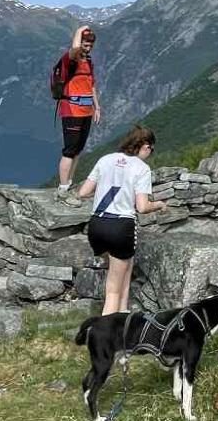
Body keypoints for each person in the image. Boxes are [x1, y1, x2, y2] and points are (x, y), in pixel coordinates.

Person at [72, 126, 166, 315]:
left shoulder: (105, 159)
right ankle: (105, 334)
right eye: (151, 150)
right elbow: (142, 207)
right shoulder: (142, 168)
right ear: (146, 147)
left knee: (125, 264)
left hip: (96, 225)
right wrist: (160, 205)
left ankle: (123, 311)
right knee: (113, 289)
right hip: (120, 227)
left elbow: (82, 193)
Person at [52, 26, 99, 191]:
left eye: (91, 44)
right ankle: (63, 188)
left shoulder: (88, 62)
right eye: (86, 43)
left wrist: (97, 107)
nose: (88, 47)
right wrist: (80, 31)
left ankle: (69, 182)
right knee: (69, 150)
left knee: (78, 150)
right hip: (72, 110)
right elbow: (75, 49)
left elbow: (91, 86)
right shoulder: (70, 59)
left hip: (86, 111)